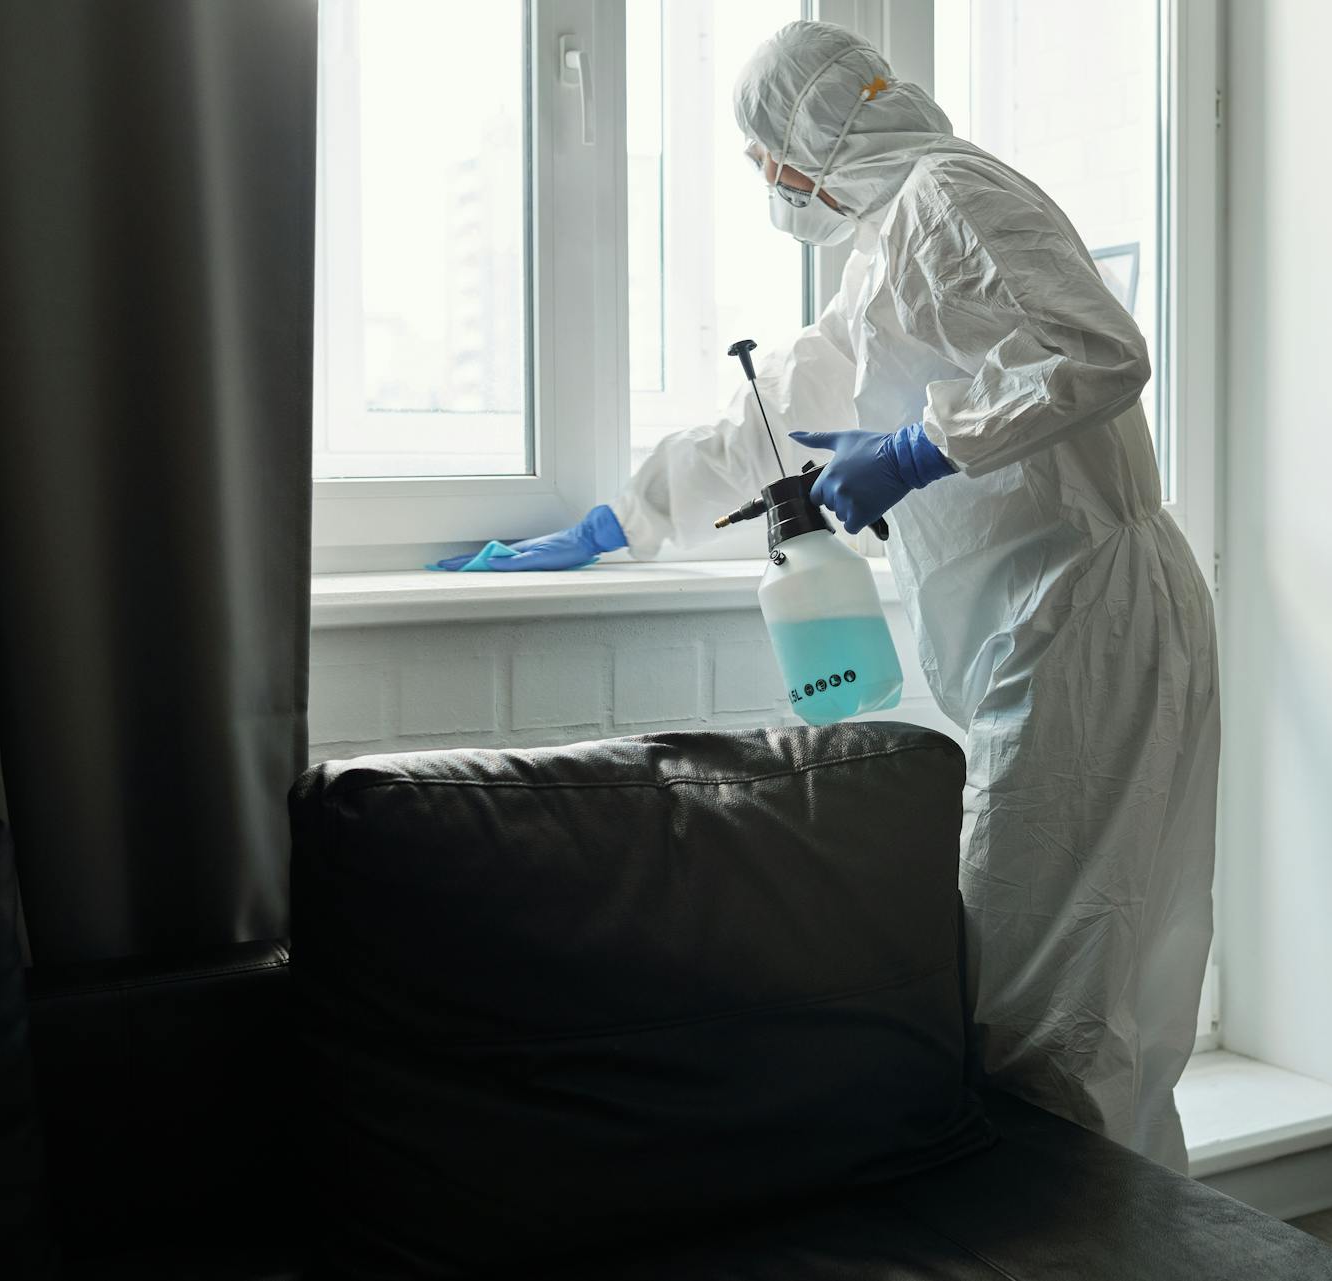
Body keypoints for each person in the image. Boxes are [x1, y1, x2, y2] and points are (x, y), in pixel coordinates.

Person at [436, 19, 1218, 1170]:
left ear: (807, 136)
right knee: (1099, 982)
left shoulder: (953, 197)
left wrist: (920, 449)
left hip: (1084, 615)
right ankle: (1141, 1234)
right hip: (1064, 619)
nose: (766, 182)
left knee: (1048, 1000)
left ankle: (1078, 1240)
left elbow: (1101, 351)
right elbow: (777, 413)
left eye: (762, 155)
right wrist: (616, 523)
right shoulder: (893, 248)